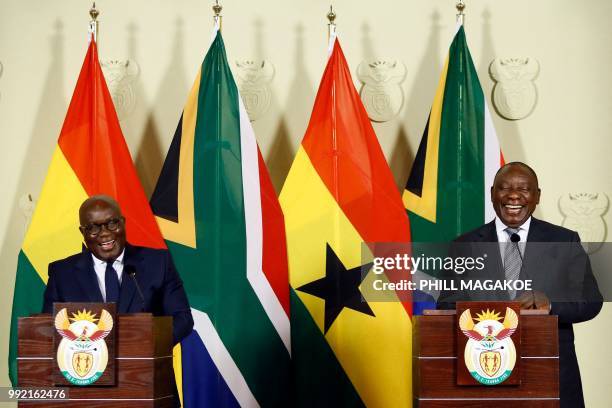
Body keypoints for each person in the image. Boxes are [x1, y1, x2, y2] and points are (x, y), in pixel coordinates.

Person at [439, 162, 602, 408]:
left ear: (537, 196)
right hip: (486, 368)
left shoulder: (563, 240)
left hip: (551, 372)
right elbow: (446, 303)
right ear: (493, 193)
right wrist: (492, 313)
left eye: (524, 189)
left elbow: (590, 301)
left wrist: (550, 305)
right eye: (504, 188)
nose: (513, 195)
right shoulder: (465, 245)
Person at [42, 195, 193, 344]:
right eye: (94, 228)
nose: (105, 233)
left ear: (123, 223)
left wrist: (149, 345)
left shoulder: (158, 262)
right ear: (83, 232)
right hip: (85, 363)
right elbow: (48, 328)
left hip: (145, 365)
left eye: (112, 224)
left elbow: (182, 319)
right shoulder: (62, 273)